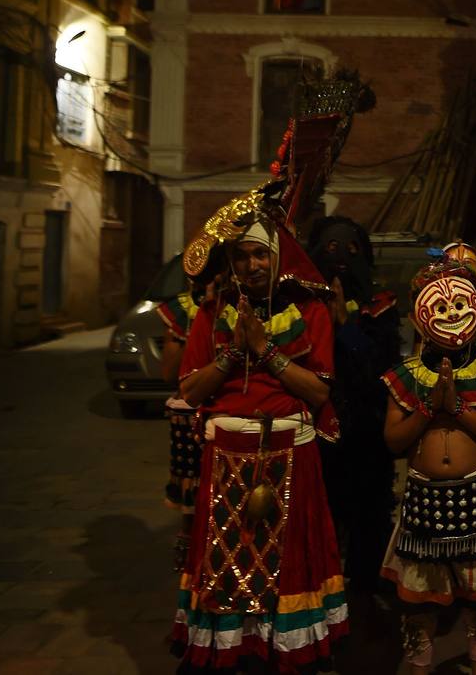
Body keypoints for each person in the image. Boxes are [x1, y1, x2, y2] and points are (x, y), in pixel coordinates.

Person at [170, 198, 348, 673]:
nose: (251, 265)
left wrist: (265, 351)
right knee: (227, 564)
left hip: (291, 452)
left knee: (288, 563)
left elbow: (316, 392)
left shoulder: (311, 312)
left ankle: (285, 650)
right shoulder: (211, 314)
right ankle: (231, 650)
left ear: (279, 257)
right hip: (227, 454)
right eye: (242, 256)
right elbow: (189, 389)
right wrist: (231, 355)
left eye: (260, 254)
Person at [380, 259, 476, 675]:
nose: (451, 315)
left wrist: (456, 407)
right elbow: (394, 441)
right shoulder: (405, 375)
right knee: (419, 605)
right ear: (420, 318)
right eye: (439, 308)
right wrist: (427, 408)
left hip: (475, 495)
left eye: (459, 305)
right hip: (425, 497)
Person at [307, 215, 402, 595]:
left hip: (366, 431)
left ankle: (365, 595)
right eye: (330, 248)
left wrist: (345, 326)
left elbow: (381, 369)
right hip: (315, 429)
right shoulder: (301, 303)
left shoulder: (380, 308)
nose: (341, 257)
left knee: (368, 519)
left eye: (352, 249)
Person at [157, 269, 217, 572]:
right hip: (191, 409)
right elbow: (169, 372)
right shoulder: (186, 309)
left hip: (228, 409)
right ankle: (191, 546)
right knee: (192, 495)